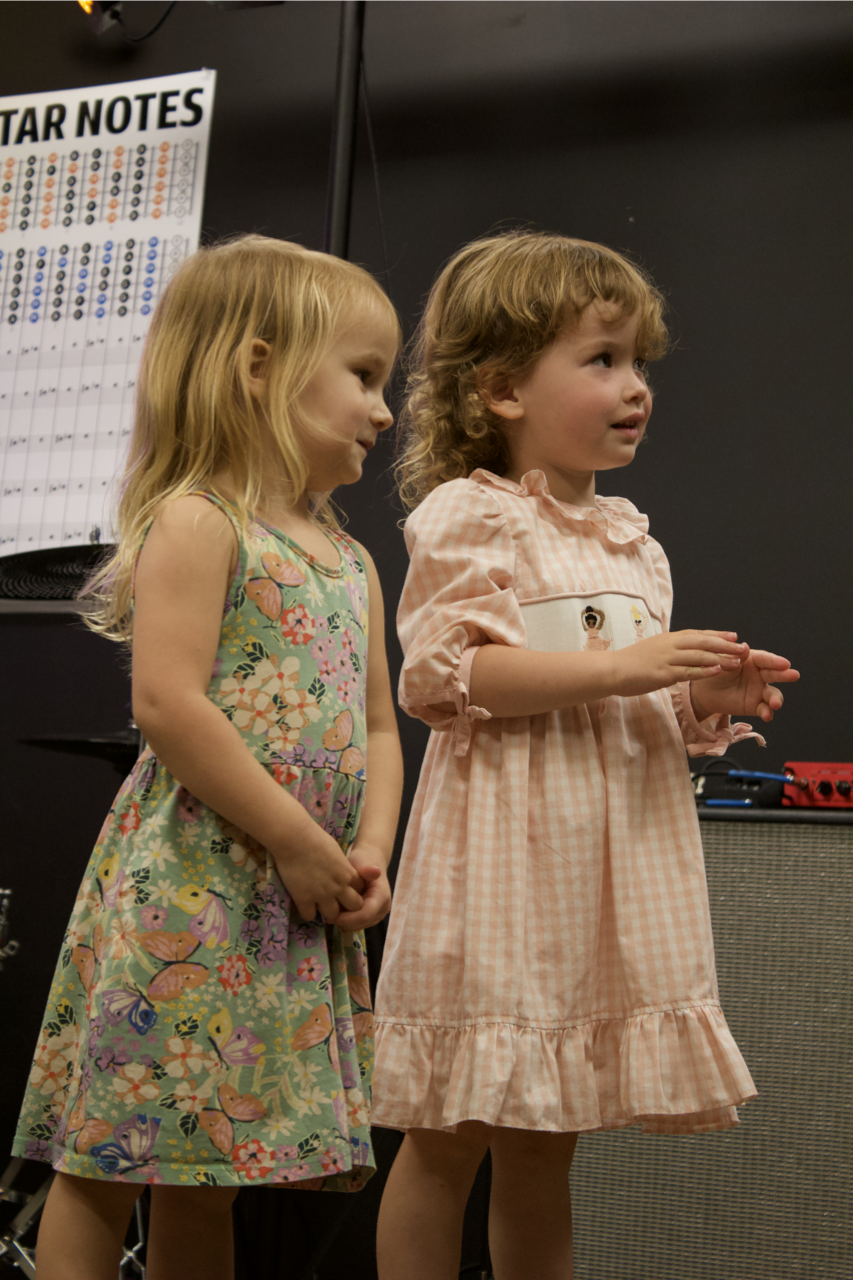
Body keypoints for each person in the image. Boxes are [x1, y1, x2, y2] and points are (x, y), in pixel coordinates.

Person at [372, 231, 799, 1280]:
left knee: (544, 1139)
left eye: (639, 363)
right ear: (504, 387)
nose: (633, 386)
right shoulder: (475, 516)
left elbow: (620, 700)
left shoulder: (628, 538)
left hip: (598, 870)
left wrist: (694, 690)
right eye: (601, 359)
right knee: (448, 1133)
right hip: (504, 868)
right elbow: (448, 676)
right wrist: (623, 666)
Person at [12, 235, 403, 1280]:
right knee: (109, 1155)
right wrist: (293, 837)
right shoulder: (201, 519)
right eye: (363, 376)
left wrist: (366, 847)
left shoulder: (351, 560)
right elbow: (170, 705)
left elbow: (376, 722)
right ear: (259, 366)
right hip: (197, 888)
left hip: (296, 895)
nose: (384, 407)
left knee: (215, 1166)